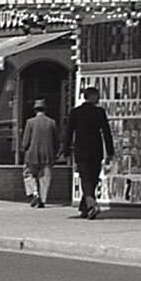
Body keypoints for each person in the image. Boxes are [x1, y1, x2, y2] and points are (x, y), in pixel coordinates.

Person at [62, 84, 116, 220]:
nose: (98, 98)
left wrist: (66, 149)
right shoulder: (99, 112)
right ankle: (91, 205)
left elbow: (68, 132)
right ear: (91, 97)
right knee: (92, 178)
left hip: (81, 150)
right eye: (97, 95)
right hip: (96, 150)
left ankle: (85, 207)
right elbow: (106, 132)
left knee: (86, 178)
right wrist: (110, 151)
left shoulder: (75, 112)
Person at [20, 99, 60, 208]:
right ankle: (43, 200)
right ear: (45, 109)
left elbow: (26, 140)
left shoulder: (30, 122)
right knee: (45, 177)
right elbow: (56, 140)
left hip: (32, 154)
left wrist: (23, 149)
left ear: (34, 110)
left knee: (28, 174)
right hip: (48, 154)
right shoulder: (52, 122)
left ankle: (35, 193)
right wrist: (56, 152)